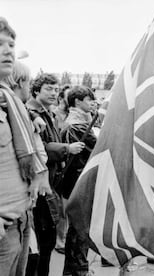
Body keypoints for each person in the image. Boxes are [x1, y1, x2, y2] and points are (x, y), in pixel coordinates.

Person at [0, 17, 49, 276]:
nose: (8, 50)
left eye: (11, 43)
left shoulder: (11, 105)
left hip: (19, 219)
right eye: (0, 44)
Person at [26, 73, 85, 276]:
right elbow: (38, 148)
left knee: (47, 241)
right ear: (35, 90)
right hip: (39, 185)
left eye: (55, 89)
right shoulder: (31, 112)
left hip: (49, 183)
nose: (54, 93)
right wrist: (66, 148)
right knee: (42, 242)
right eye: (48, 89)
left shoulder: (46, 112)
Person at [60, 86, 96, 275]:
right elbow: (97, 149)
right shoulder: (78, 126)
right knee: (81, 230)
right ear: (77, 102)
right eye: (89, 99)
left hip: (74, 182)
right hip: (79, 183)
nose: (92, 102)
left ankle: (74, 270)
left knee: (78, 229)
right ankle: (79, 270)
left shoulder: (77, 122)